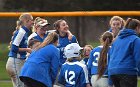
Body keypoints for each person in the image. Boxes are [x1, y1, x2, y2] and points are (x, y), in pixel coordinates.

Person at [108, 18, 140, 87]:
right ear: (137, 28)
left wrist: (110, 78)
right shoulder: (135, 39)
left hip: (113, 72)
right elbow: (138, 58)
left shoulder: (116, 39)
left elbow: (111, 57)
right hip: (127, 72)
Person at [6, 13, 34, 87]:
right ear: (26, 21)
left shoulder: (24, 32)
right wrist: (27, 49)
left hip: (17, 62)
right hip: (15, 62)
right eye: (31, 20)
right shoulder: (21, 32)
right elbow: (14, 48)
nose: (33, 22)